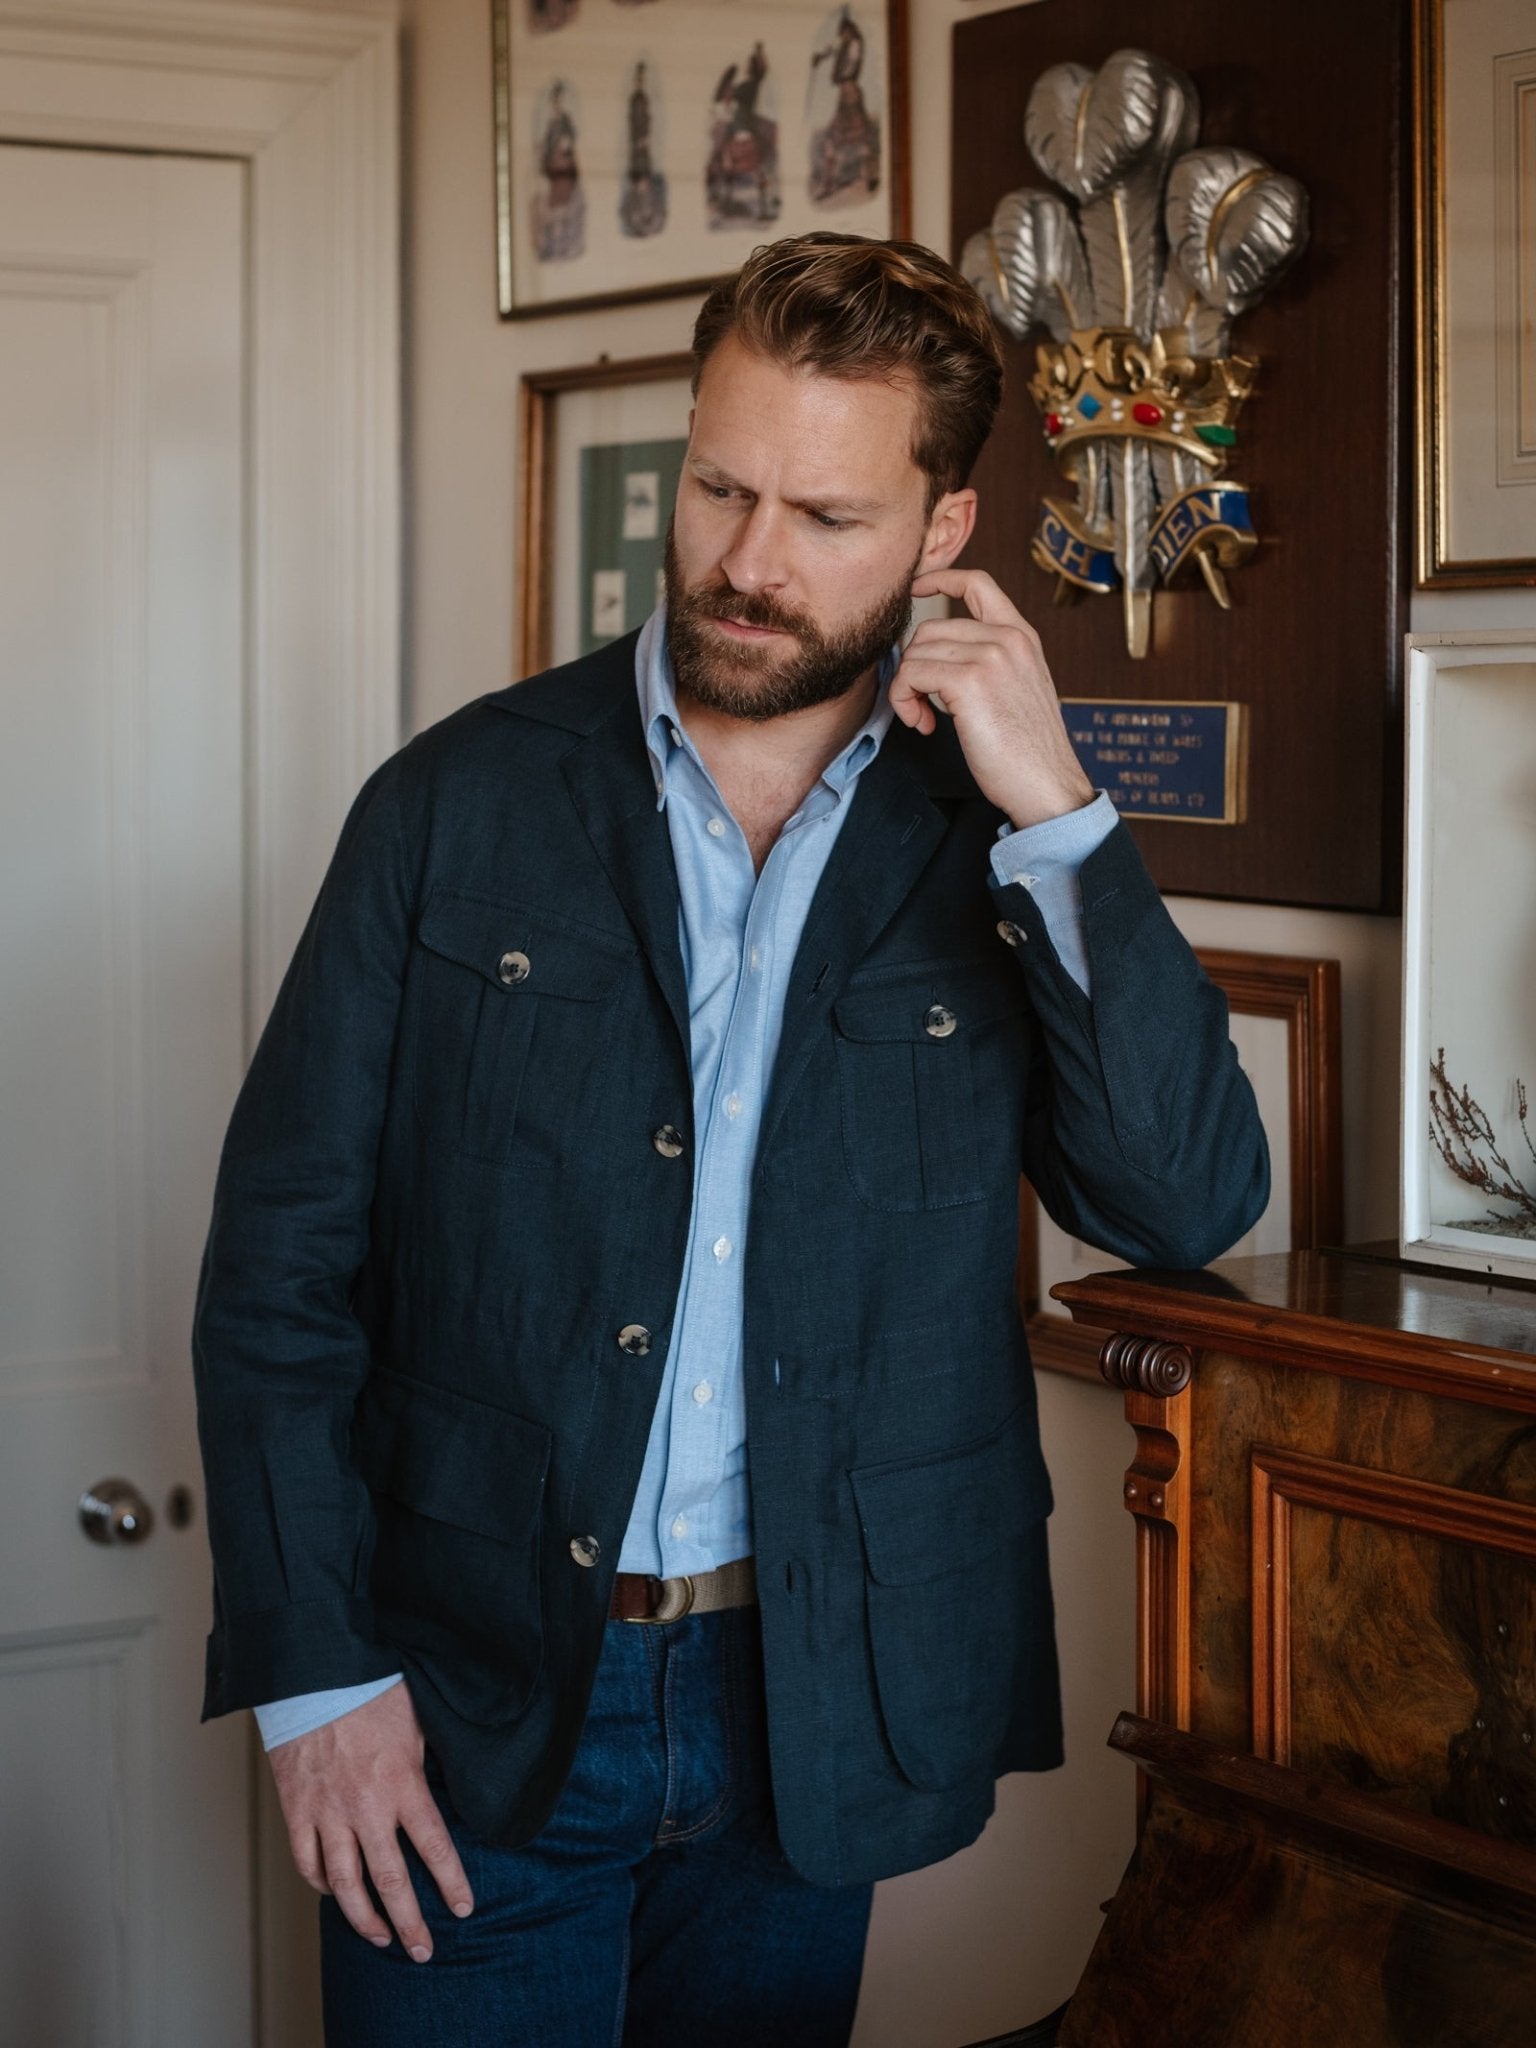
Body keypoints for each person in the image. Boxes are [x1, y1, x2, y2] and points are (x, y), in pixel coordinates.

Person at [193, 232, 1267, 2046]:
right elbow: (278, 1277)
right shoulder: (448, 807)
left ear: (943, 537)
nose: (750, 565)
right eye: (720, 488)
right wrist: (316, 1680)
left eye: (828, 518)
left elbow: (1177, 1195)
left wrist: (1062, 811)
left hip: (818, 1703)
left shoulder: (986, 834)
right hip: (464, 1699)